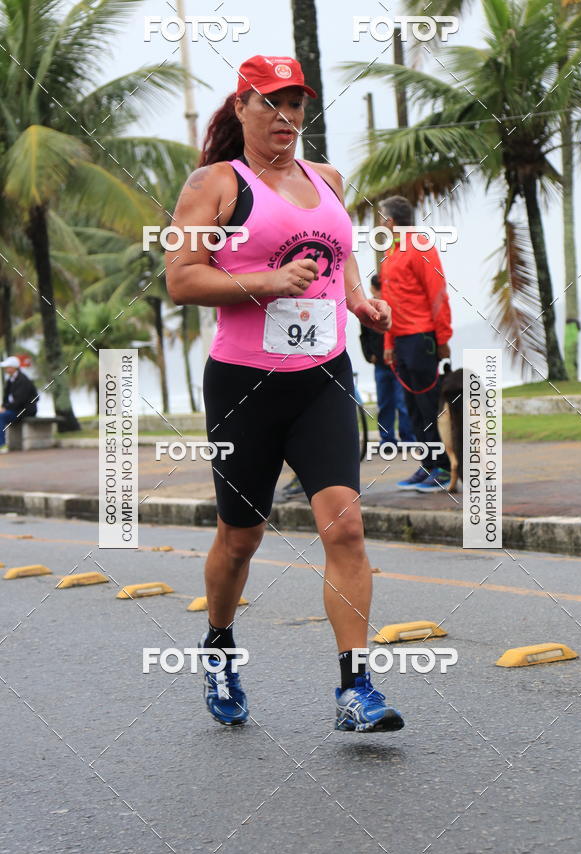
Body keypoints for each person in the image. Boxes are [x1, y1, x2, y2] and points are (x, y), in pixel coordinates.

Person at [166, 55, 404, 733]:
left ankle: (355, 688)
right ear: (241, 106)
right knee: (242, 538)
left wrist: (359, 298)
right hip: (245, 386)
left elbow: (340, 248)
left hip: (324, 376)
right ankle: (218, 645)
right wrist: (265, 283)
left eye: (295, 104)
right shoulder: (214, 184)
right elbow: (182, 278)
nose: (286, 117)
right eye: (270, 103)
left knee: (346, 526)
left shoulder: (325, 178)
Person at [379, 197, 453, 492]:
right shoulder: (391, 252)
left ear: (392, 221)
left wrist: (443, 338)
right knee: (411, 408)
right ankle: (428, 464)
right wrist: (388, 341)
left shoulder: (421, 246)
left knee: (428, 405)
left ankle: (445, 468)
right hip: (400, 341)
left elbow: (437, 294)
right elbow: (388, 302)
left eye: (381, 218)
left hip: (422, 338)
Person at [360, 274, 415, 449]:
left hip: (398, 363)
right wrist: (370, 356)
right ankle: (387, 440)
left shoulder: (396, 306)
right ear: (372, 289)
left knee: (402, 401)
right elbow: (364, 336)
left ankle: (408, 438)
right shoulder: (369, 308)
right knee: (385, 403)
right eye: (377, 289)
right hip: (380, 365)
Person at [0, 356, 38, 454]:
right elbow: (6, 398)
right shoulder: (10, 380)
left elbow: (20, 400)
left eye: (7, 367)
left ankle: (1, 444)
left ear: (13, 367)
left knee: (1, 417)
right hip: (14, 409)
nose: (6, 369)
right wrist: (3, 407)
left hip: (24, 411)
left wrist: (5, 408)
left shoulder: (23, 380)